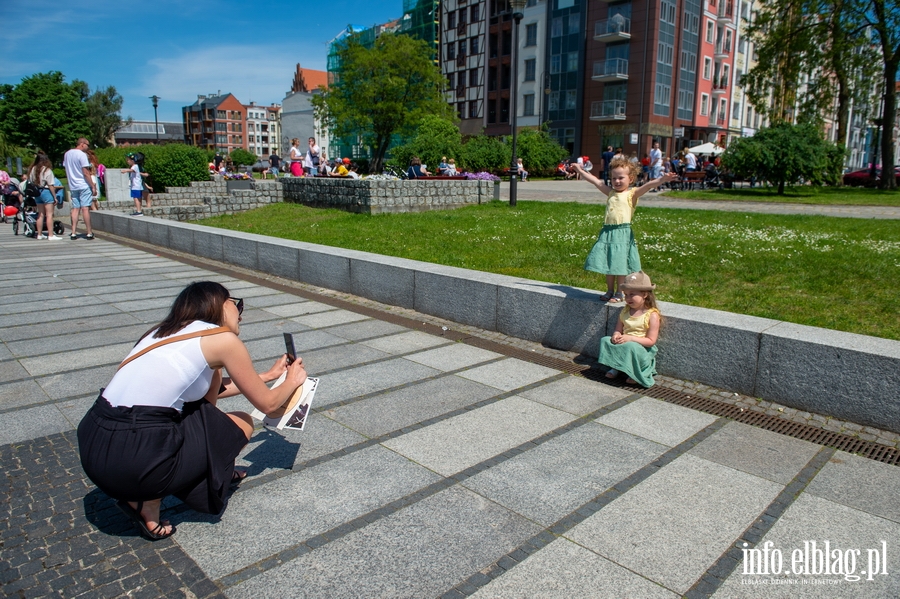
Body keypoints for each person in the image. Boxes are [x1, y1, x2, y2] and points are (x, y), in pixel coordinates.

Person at [77, 282, 307, 541]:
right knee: (242, 423)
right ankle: (147, 502)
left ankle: (196, 471)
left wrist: (268, 375)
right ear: (218, 304)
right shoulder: (222, 339)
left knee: (201, 407)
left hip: (94, 445)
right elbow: (268, 405)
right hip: (137, 462)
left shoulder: (159, 333)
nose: (241, 311)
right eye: (236, 303)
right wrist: (293, 379)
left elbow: (200, 389)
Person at [574, 157, 678, 303]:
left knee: (619, 264)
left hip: (622, 233)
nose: (617, 181)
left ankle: (619, 292)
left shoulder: (631, 194)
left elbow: (648, 186)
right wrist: (580, 170)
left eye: (621, 178)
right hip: (608, 232)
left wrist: (663, 179)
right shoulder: (610, 192)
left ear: (631, 178)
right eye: (614, 178)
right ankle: (609, 290)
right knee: (608, 264)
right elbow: (595, 181)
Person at [599, 271, 661, 387]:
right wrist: (616, 335)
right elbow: (618, 329)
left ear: (645, 294)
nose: (628, 298)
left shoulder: (652, 315)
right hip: (625, 342)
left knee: (630, 346)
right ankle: (616, 367)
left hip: (640, 348)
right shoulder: (625, 311)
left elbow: (651, 341)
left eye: (632, 294)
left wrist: (631, 338)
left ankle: (635, 373)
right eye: (626, 294)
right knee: (605, 340)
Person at [63, 137, 98, 240]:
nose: (88, 147)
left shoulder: (67, 154)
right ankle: (89, 232)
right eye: (88, 145)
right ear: (82, 144)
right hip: (83, 184)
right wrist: (93, 186)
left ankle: (73, 232)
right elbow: (86, 172)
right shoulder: (82, 155)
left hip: (73, 185)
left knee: (75, 208)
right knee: (85, 208)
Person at [28, 153, 61, 240]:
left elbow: (31, 181)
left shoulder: (33, 169)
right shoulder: (47, 170)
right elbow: (50, 185)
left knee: (40, 214)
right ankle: (50, 235)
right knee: (49, 214)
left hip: (37, 192)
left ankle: (39, 234)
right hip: (46, 191)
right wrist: (54, 197)